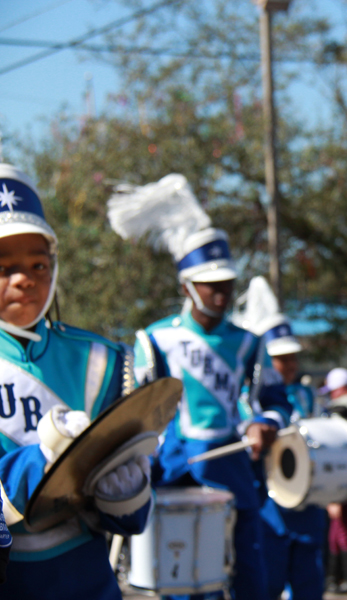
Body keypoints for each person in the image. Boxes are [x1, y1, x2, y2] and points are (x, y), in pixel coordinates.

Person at [109, 175, 292, 600]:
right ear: (187, 285)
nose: (223, 292)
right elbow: (134, 409)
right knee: (179, 581)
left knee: (249, 580)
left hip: (234, 474)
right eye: (212, 284)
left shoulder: (249, 342)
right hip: (174, 472)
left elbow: (274, 401)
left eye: (227, 283)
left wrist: (264, 422)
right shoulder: (154, 339)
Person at [0, 164, 152, 599]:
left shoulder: (102, 358)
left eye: (37, 264)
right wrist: (41, 463)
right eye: (4, 266)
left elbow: (133, 520)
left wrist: (126, 490)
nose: (24, 279)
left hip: (86, 581)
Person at [234, 276, 328, 600]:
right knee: (266, 583)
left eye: (292, 357)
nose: (289, 365)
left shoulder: (306, 394)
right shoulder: (245, 399)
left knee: (308, 584)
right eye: (280, 358)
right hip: (266, 505)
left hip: (305, 505)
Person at [320, 367, 347, 594]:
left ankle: (346, 578)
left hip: (343, 476)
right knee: (342, 529)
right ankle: (341, 577)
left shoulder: (340, 408)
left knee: (342, 529)